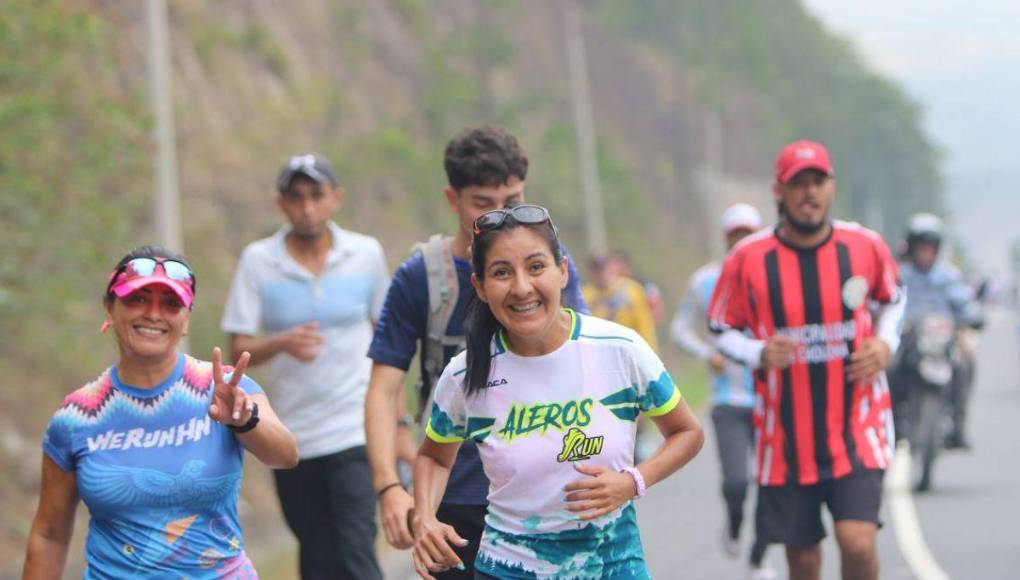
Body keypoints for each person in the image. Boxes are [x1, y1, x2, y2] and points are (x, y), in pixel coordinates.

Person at [411, 204, 704, 579]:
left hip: (612, 566)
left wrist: (633, 481)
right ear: (481, 287)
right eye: (502, 273)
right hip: (508, 569)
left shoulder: (619, 349)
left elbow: (688, 432)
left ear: (562, 271)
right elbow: (434, 457)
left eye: (536, 267)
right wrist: (424, 518)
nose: (521, 287)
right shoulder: (465, 374)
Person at [364, 125, 588, 579]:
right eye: (483, 204)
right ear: (454, 200)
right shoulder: (421, 278)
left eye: (513, 201)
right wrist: (389, 486)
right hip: (457, 496)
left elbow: (585, 363)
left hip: (546, 490)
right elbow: (382, 389)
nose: (501, 216)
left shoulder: (553, 267)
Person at [23, 246, 298, 579]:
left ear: (186, 320)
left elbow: (285, 455)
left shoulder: (225, 387)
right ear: (109, 308)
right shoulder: (75, 418)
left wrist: (244, 420)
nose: (154, 314)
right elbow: (49, 535)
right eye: (137, 299)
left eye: (171, 304)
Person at [707, 140, 905, 580]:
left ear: (831, 187)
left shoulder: (864, 246)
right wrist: (758, 352)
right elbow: (720, 327)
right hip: (785, 438)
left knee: (857, 541)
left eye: (818, 182)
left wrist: (885, 342)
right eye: (798, 184)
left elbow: (893, 298)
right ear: (779, 191)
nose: (809, 193)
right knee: (804, 560)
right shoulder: (748, 259)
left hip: (856, 426)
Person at [220, 153, 389, 579]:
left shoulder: (365, 254)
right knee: (315, 555)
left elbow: (390, 346)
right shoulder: (258, 261)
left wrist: (396, 426)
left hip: (355, 429)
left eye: (316, 195)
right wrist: (279, 343)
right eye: (296, 198)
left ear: (336, 198)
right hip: (291, 438)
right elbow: (238, 343)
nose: (307, 208)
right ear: (281, 204)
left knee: (356, 549)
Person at [672, 202, 774, 578]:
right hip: (729, 399)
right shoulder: (704, 281)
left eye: (749, 234)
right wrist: (707, 352)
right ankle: (733, 524)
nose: (742, 241)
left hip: (772, 399)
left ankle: (759, 557)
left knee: (771, 485)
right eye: (736, 235)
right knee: (737, 481)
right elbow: (680, 329)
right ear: (726, 237)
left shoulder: (777, 275)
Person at [895, 212, 983, 449]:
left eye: (929, 247)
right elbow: (887, 302)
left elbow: (965, 304)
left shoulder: (948, 276)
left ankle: (958, 425)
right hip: (908, 337)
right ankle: (891, 420)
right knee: (889, 367)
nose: (924, 252)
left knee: (965, 364)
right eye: (920, 247)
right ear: (912, 248)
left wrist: (974, 318)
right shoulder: (900, 275)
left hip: (941, 339)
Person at [583, 254, 659, 351]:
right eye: (597, 270)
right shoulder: (585, 296)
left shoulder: (632, 290)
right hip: (600, 351)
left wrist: (650, 350)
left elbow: (644, 324)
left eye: (604, 269)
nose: (602, 274)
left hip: (629, 348)